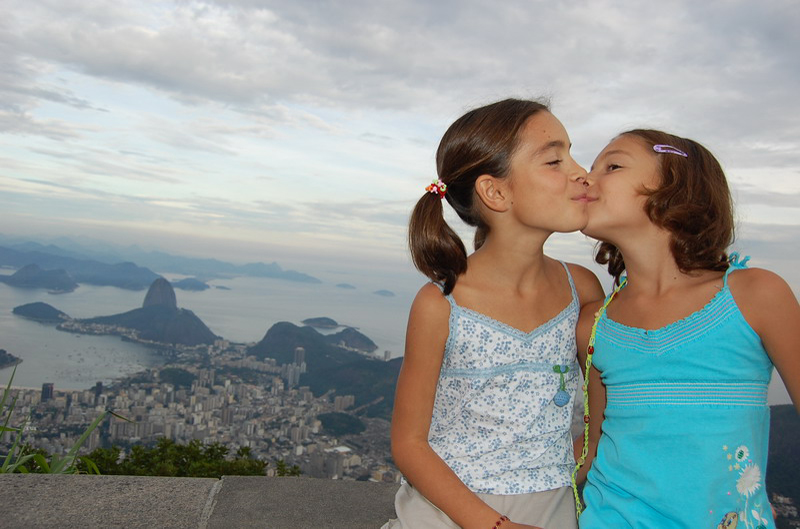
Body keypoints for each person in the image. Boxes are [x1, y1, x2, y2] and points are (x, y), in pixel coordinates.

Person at [386, 98, 604, 529]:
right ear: (495, 191)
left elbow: (597, 415)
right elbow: (409, 442)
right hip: (448, 509)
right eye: (554, 160)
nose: (582, 172)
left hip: (556, 502)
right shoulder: (441, 304)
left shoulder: (582, 288)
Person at [574, 129, 800, 528]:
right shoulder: (594, 324)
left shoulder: (755, 295)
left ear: (675, 189)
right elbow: (591, 450)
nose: (585, 177)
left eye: (612, 166)